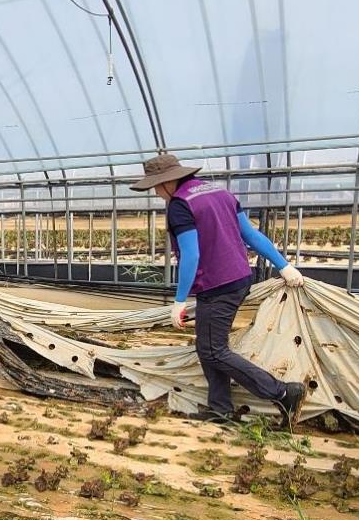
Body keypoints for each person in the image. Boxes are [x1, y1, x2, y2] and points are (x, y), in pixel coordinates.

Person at [129, 152, 307, 425]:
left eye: (155, 185)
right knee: (208, 346)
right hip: (239, 278)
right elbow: (250, 235)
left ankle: (282, 392)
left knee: (213, 350)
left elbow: (191, 255)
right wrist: (284, 265)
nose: (155, 191)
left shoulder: (179, 205)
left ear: (167, 181)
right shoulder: (220, 192)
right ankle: (220, 409)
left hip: (217, 285)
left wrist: (178, 302)